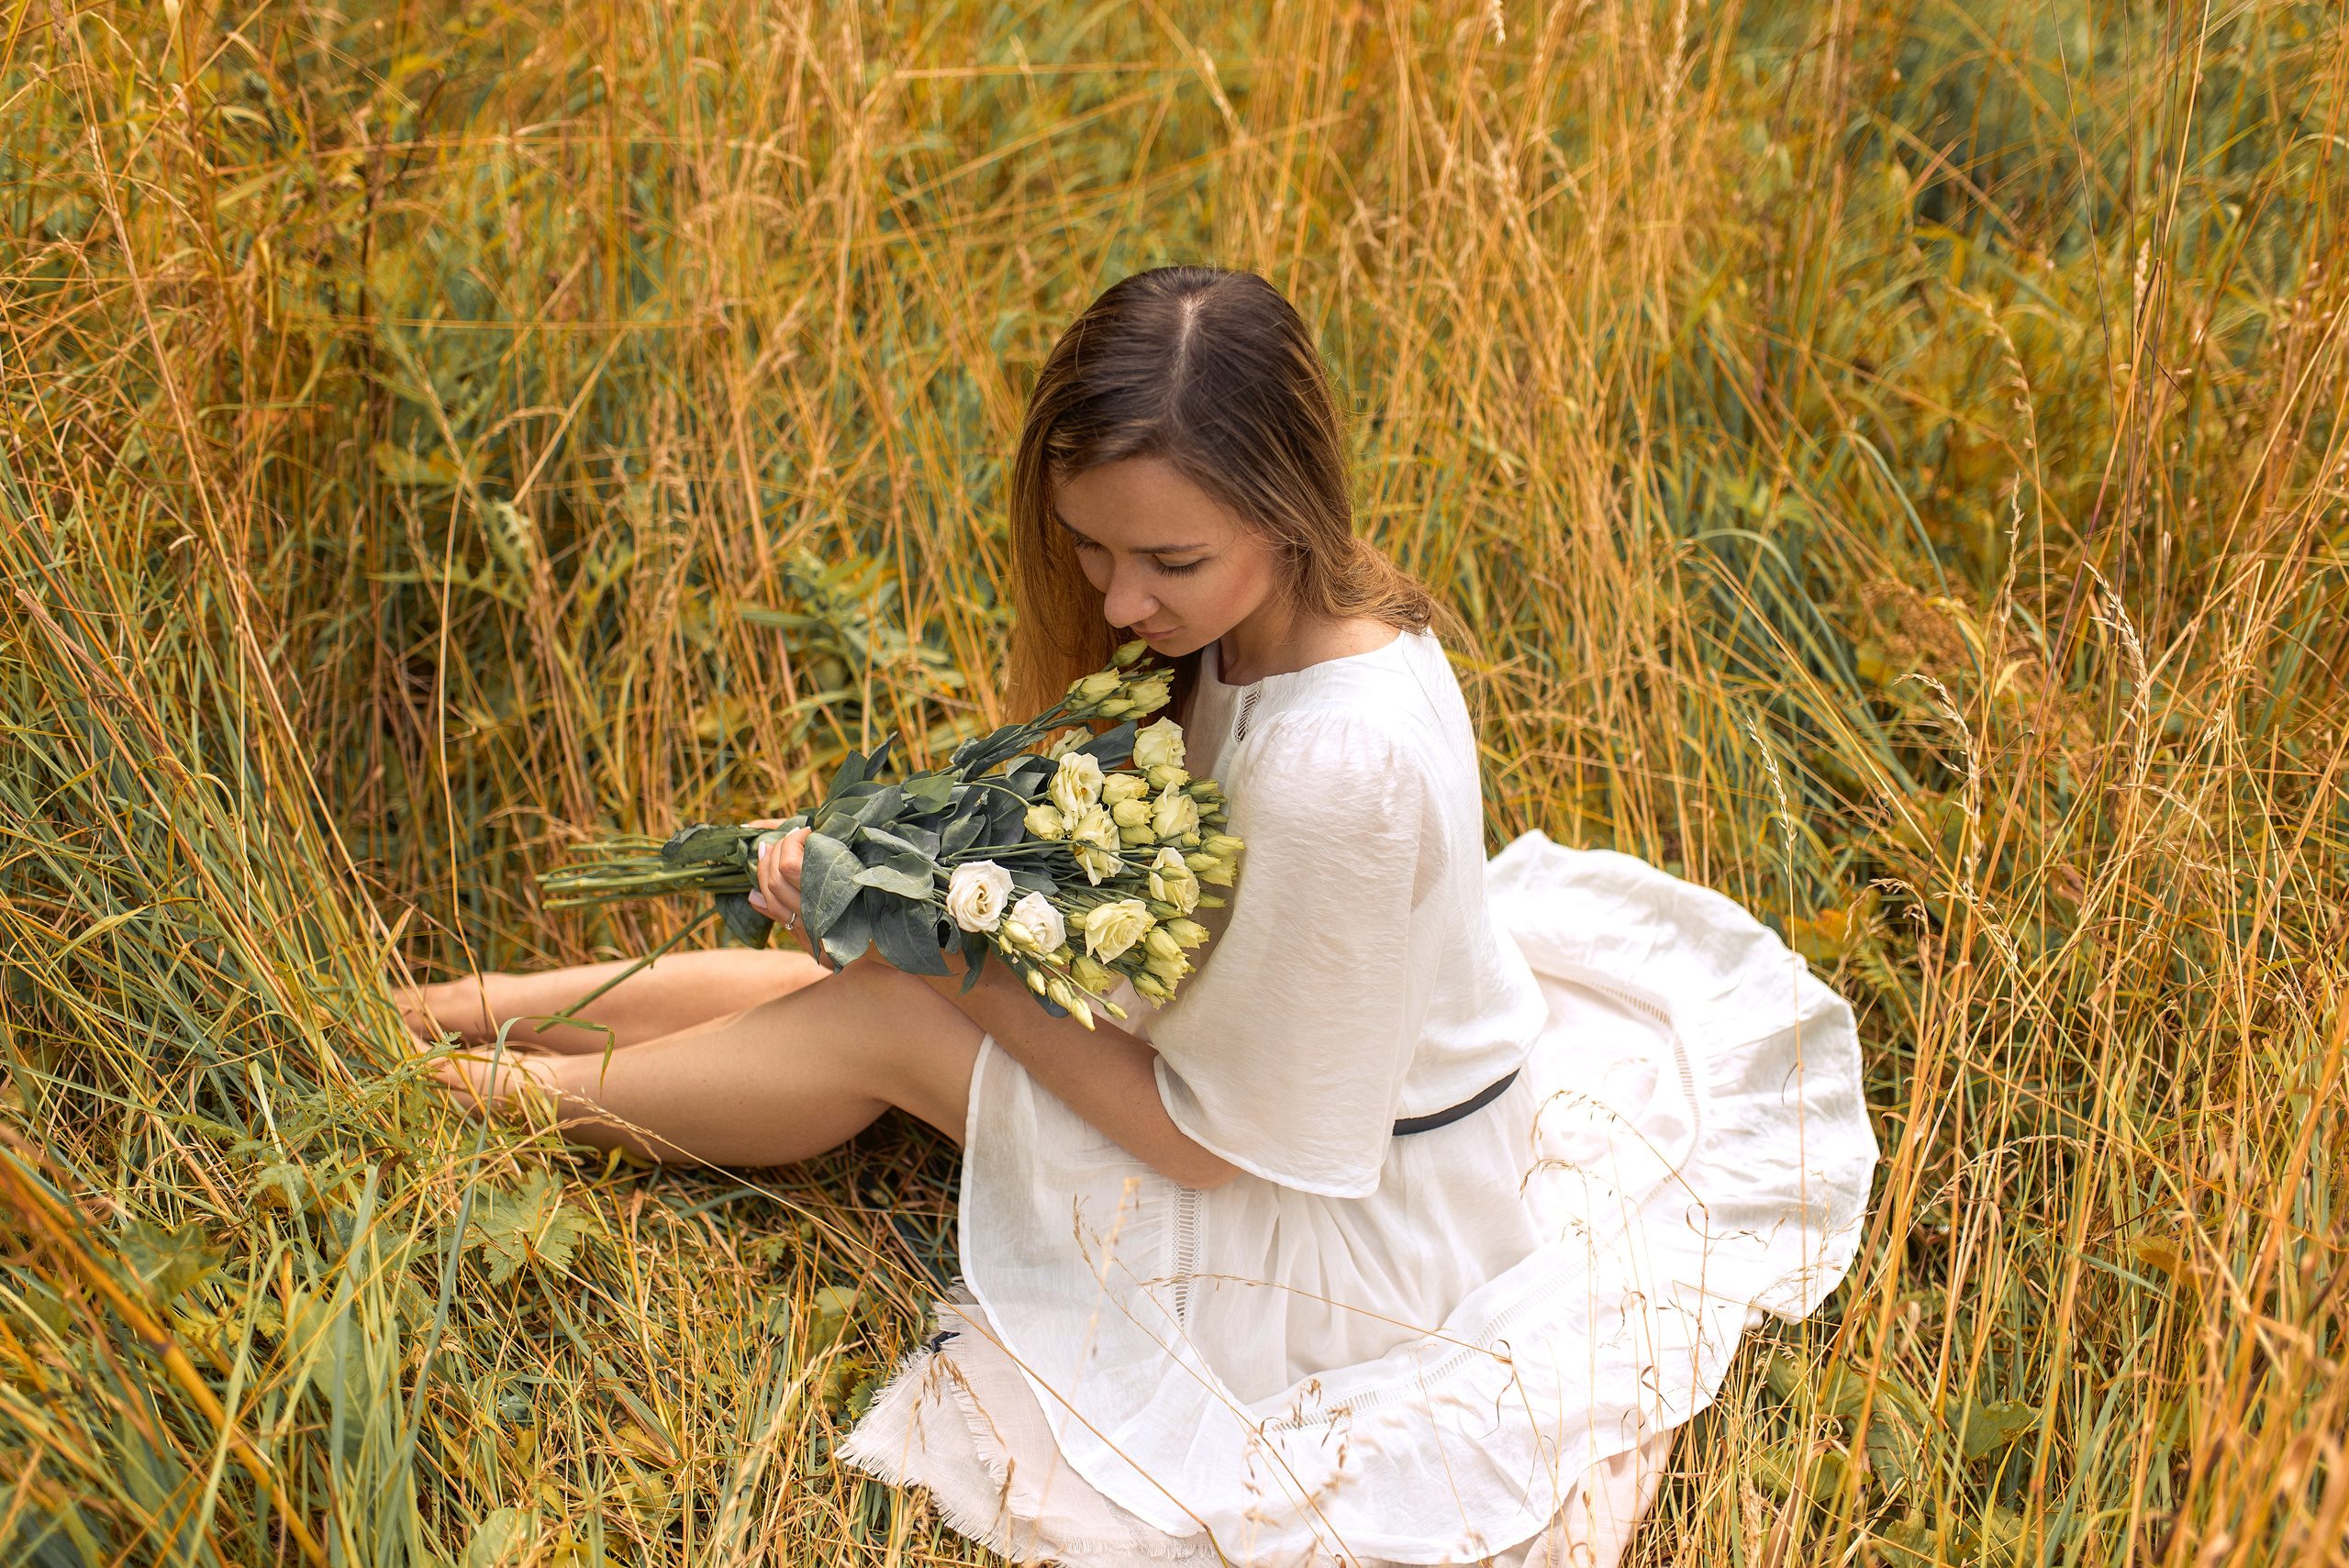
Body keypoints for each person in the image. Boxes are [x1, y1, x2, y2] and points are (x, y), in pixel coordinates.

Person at [406, 266, 1877, 1568]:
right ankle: (457, 1006)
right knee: (896, 962)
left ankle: (471, 1088)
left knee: (893, 1010)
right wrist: (895, 876)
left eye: (1168, 560)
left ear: (1288, 510)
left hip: (1340, 1240)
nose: (1118, 600)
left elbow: (1212, 1148)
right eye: (1095, 549)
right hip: (1285, 1077)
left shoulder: (1335, 771)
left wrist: (957, 952)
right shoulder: (1279, 627)